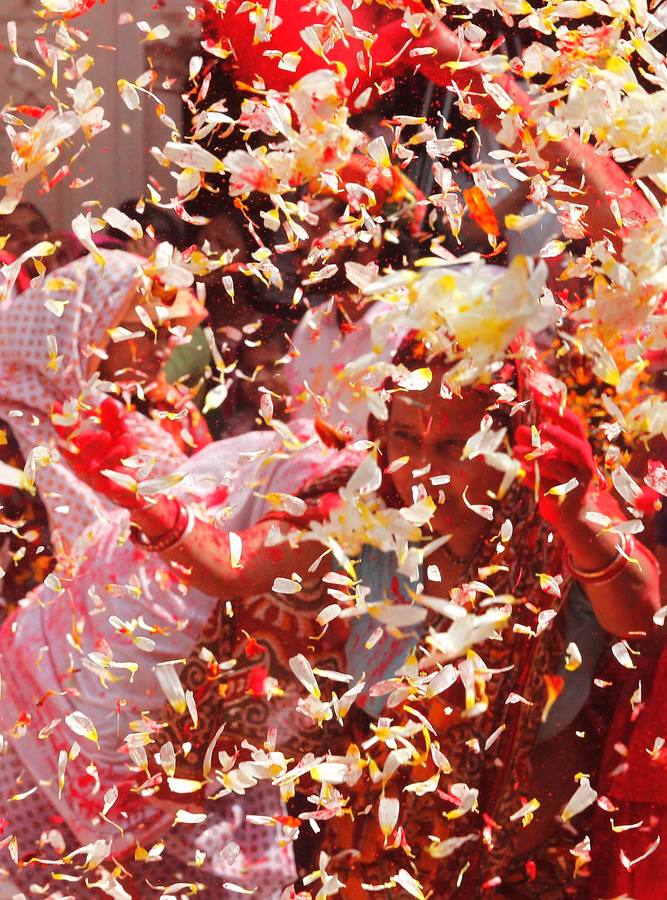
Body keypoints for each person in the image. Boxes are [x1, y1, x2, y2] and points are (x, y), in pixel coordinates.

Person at [312, 331, 660, 898]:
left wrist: (573, 519)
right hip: (367, 867)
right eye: (405, 437)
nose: (422, 469)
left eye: (452, 447)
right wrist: (155, 514)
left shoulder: (557, 519)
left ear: (509, 445)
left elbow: (645, 618)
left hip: (518, 878)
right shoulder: (364, 515)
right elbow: (244, 567)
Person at [0, 249, 205, 612]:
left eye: (168, 336)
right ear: (85, 330)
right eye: (147, 333)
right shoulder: (10, 431)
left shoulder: (150, 415)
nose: (162, 352)